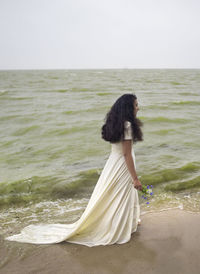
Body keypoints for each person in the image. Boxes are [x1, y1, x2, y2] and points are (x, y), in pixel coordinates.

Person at [5, 93, 143, 247]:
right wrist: (135, 178)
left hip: (113, 163)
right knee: (120, 195)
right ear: (128, 108)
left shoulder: (118, 123)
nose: (138, 108)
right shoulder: (127, 125)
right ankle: (116, 226)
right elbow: (126, 154)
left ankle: (124, 222)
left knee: (115, 195)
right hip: (122, 166)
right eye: (136, 105)